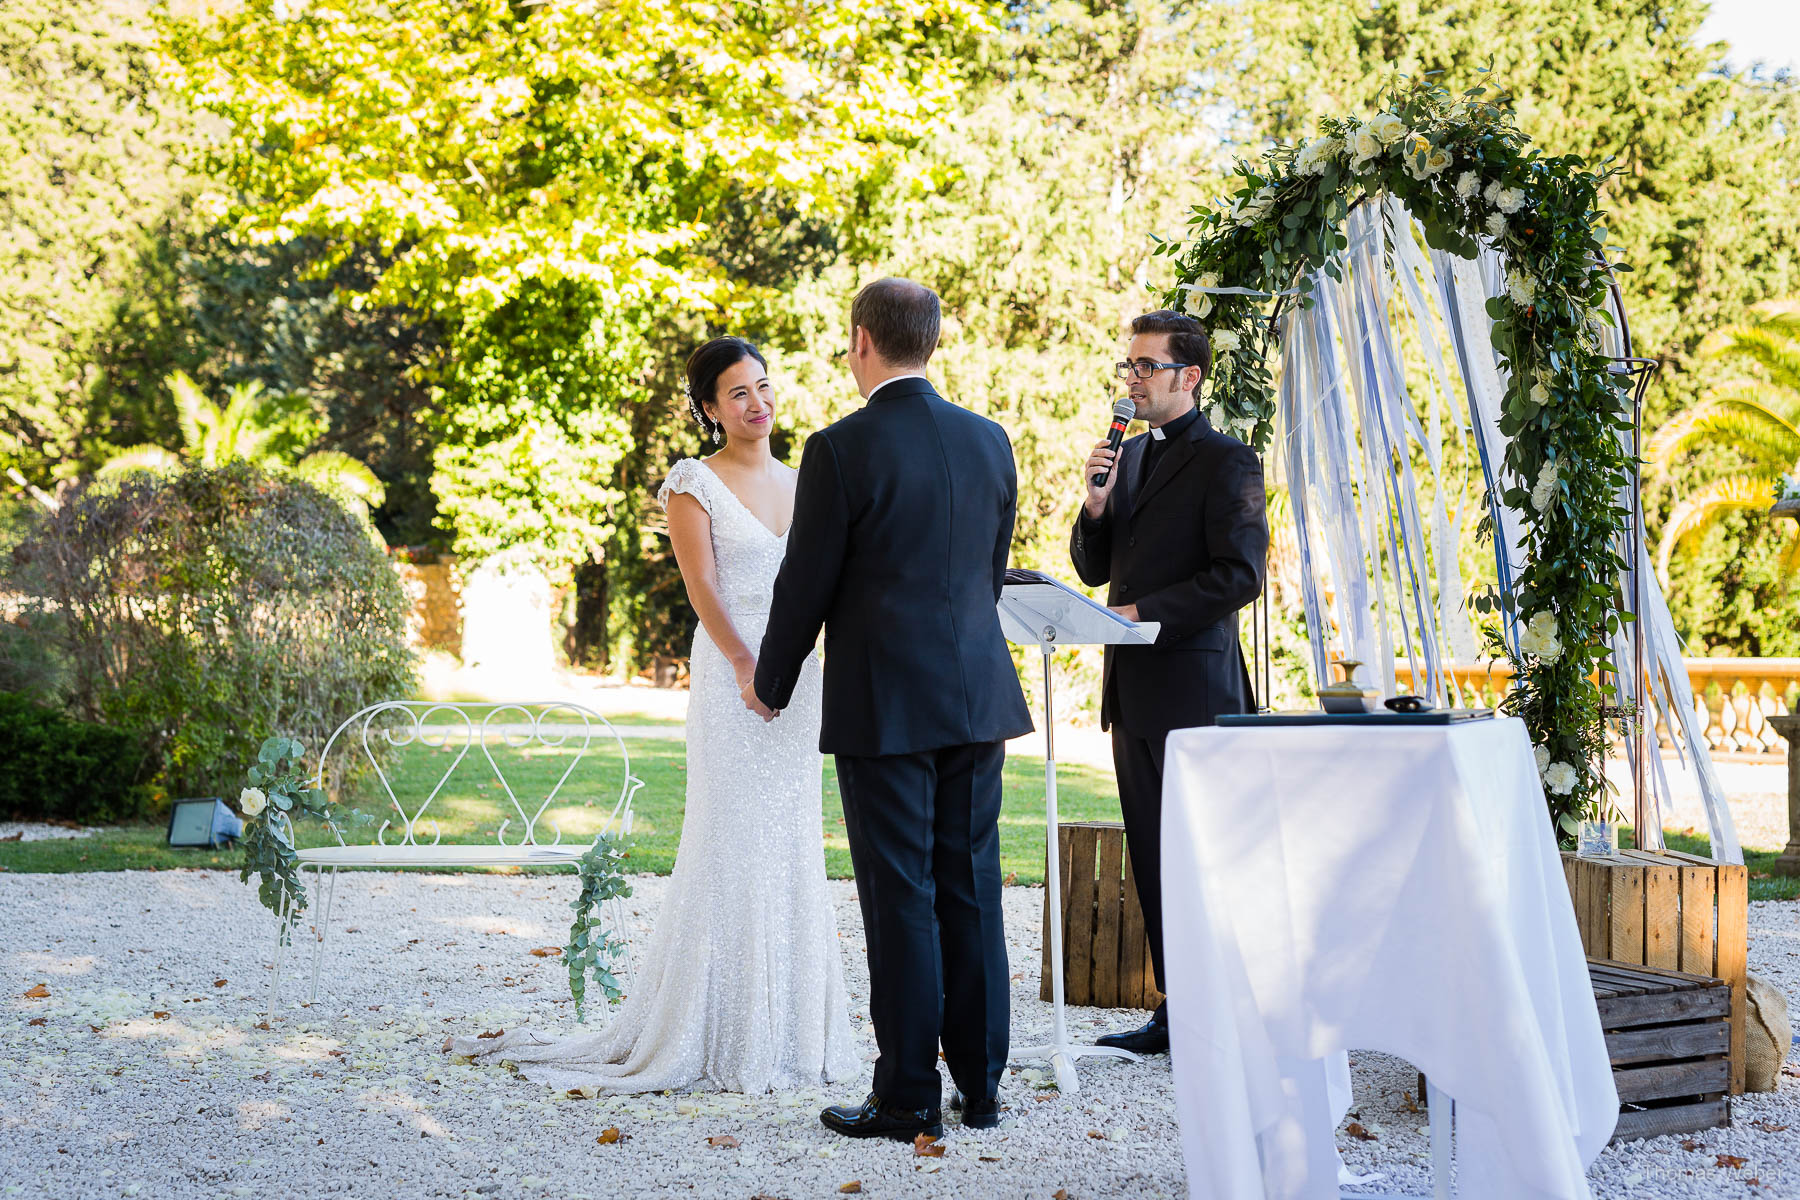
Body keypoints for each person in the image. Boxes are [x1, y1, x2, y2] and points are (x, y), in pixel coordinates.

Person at [449, 336, 860, 1094]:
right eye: (737, 394)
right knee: (731, 834)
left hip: (801, 681)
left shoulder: (807, 482)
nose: (757, 404)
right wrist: (745, 663)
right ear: (708, 408)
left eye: (764, 388)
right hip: (731, 676)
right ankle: (712, 1029)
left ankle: (793, 1033)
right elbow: (702, 586)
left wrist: (806, 666)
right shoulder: (691, 483)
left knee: (792, 836)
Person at [749, 278, 1033, 1141]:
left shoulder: (840, 448)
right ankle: (980, 1090)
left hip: (886, 702)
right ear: (932, 343)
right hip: (978, 696)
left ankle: (909, 1093)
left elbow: (808, 580)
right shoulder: (991, 440)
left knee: (901, 893)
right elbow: (987, 572)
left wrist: (773, 679)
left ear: (862, 342)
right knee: (971, 887)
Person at [1069, 309, 1268, 1054]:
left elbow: (1238, 575)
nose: (1133, 380)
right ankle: (1178, 1011)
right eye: (1129, 367)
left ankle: (1232, 1012)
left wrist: (1141, 612)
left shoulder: (1226, 462)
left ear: (1189, 377)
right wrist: (1094, 505)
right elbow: (1094, 567)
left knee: (1207, 860)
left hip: (1197, 695)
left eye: (1146, 367)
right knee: (1153, 855)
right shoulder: (1131, 456)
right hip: (1132, 694)